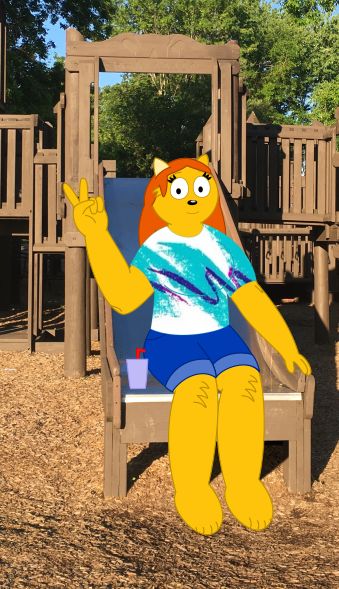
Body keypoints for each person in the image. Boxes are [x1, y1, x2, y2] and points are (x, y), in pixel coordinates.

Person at [63, 155, 310, 535]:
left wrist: (284, 343)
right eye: (180, 190)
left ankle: (242, 481)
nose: (192, 197)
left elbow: (251, 297)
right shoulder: (156, 248)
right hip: (170, 340)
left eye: (200, 187)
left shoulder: (221, 245)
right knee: (198, 390)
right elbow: (125, 298)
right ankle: (191, 487)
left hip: (220, 336)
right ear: (160, 200)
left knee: (244, 385)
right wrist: (96, 235)